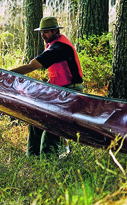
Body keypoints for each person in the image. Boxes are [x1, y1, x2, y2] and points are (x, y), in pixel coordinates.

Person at [11, 16, 83, 158]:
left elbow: (31, 66)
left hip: (70, 93)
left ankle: (48, 162)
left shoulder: (59, 48)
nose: (43, 35)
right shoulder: (53, 44)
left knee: (51, 125)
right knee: (36, 119)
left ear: (55, 31)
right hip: (59, 91)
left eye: (46, 32)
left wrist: (6, 74)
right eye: (41, 32)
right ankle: (32, 159)